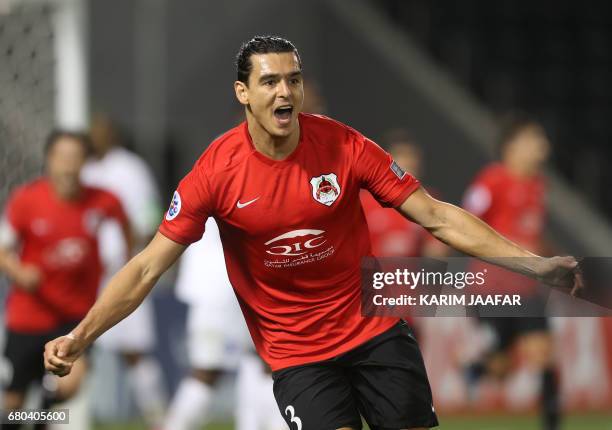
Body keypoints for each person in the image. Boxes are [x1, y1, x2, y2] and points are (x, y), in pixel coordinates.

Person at [44, 36, 582, 430]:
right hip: (298, 356)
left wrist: (534, 265)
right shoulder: (215, 172)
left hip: (375, 333)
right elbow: (144, 268)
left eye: (293, 79)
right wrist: (81, 335)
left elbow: (437, 216)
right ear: (243, 93)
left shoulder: (345, 146)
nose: (286, 92)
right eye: (270, 81)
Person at [0, 131, 130, 429]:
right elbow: (3, 249)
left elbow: (128, 237)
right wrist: (19, 271)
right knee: (13, 404)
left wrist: (118, 265)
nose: (69, 166)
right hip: (28, 316)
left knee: (71, 383)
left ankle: (43, 411)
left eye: (75, 158)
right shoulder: (26, 200)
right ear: (49, 160)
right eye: (62, 158)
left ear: (85, 162)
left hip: (74, 316)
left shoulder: (105, 201)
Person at [462, 113, 560, 430]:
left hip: (527, 289)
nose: (542, 146)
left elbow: (533, 235)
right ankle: (477, 367)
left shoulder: (537, 186)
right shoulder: (492, 181)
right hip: (493, 289)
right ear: (513, 146)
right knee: (502, 368)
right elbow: (465, 221)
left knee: (544, 356)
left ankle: (552, 424)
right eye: (535, 139)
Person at [80, 114, 167, 427]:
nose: (96, 137)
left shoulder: (130, 167)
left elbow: (149, 212)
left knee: (134, 350)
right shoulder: (84, 170)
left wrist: (137, 256)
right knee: (79, 344)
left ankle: (157, 416)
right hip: (85, 274)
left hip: (123, 269)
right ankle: (72, 416)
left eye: (101, 131)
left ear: (112, 134)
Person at [163, 218, 286, 430]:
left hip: (211, 290)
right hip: (232, 286)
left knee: (252, 361)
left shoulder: (198, 188)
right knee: (263, 361)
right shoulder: (240, 189)